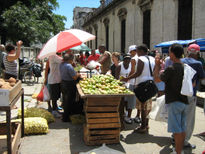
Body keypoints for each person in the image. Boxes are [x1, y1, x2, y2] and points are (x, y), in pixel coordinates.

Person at [154, 43, 188, 154]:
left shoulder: (171, 68)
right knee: (182, 129)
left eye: (169, 52)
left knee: (176, 130)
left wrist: (157, 65)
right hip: (184, 101)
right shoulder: (185, 67)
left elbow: (157, 79)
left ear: (172, 54)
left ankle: (178, 152)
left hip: (174, 101)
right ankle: (180, 150)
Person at [122, 44, 155, 133]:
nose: (137, 53)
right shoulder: (152, 59)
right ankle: (147, 124)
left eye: (137, 51)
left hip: (142, 85)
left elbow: (138, 73)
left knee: (143, 106)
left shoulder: (140, 59)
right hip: (150, 84)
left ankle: (143, 126)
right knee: (148, 105)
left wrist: (127, 78)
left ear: (141, 51)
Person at [181, 44, 205, 149]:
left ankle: (175, 136)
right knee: (189, 119)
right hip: (191, 94)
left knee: (180, 116)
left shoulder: (181, 61)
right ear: (198, 53)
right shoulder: (198, 63)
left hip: (179, 93)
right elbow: (202, 78)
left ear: (187, 52)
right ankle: (185, 141)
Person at [60, 53, 81, 122]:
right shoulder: (69, 66)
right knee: (69, 101)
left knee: (65, 100)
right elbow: (74, 77)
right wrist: (78, 74)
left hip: (63, 83)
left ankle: (65, 115)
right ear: (70, 60)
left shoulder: (61, 64)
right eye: (72, 59)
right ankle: (66, 117)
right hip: (69, 84)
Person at [48, 53, 62, 118]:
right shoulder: (53, 56)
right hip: (54, 80)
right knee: (54, 96)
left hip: (56, 79)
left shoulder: (54, 56)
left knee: (56, 96)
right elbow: (63, 60)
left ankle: (55, 109)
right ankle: (54, 111)